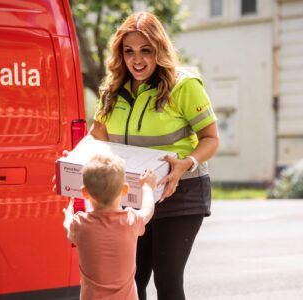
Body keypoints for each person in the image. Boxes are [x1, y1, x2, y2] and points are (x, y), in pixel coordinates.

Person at [87, 11, 220, 300]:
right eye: (129, 51)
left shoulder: (184, 86)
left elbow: (211, 139)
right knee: (133, 276)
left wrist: (186, 163)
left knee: (167, 278)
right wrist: (75, 161)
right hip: (131, 192)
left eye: (145, 50)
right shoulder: (111, 91)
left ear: (159, 49)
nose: (137, 60)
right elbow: (97, 137)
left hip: (180, 191)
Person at [63, 153, 157, 300]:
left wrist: (68, 213)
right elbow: (148, 211)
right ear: (124, 190)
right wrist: (147, 187)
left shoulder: (79, 224)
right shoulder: (130, 221)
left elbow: (67, 225)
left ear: (85, 192)